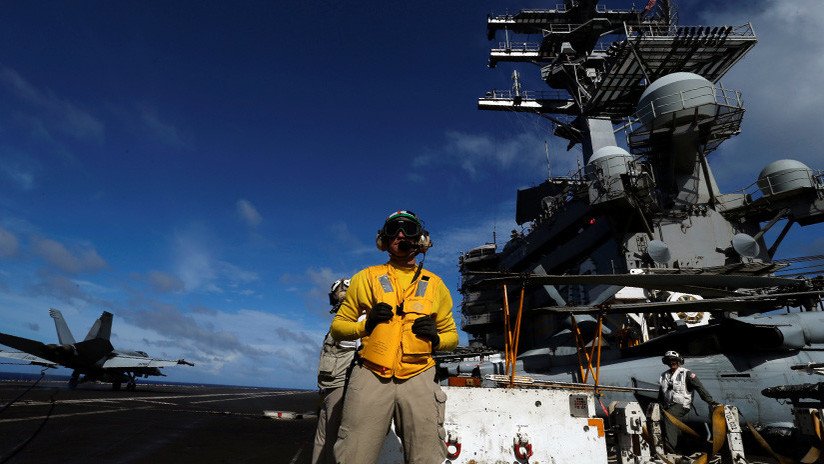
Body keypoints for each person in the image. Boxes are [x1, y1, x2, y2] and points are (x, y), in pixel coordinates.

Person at [331, 210, 458, 464]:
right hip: (371, 373)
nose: (401, 235)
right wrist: (365, 326)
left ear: (420, 239)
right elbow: (339, 327)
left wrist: (436, 340)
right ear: (384, 240)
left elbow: (452, 336)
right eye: (394, 230)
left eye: (408, 230)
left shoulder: (436, 285)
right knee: (353, 455)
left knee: (426, 456)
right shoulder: (365, 278)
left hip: (419, 374)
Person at [312, 278, 356, 464]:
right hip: (329, 387)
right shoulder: (339, 323)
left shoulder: (356, 321)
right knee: (322, 439)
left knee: (331, 440)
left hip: (341, 385)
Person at [658, 350, 718, 452]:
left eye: (674, 360)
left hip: (682, 405)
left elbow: (700, 388)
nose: (672, 362)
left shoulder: (687, 374)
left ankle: (670, 449)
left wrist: (710, 401)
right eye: (669, 361)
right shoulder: (664, 376)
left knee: (669, 416)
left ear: (678, 361)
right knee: (659, 418)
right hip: (668, 405)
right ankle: (682, 448)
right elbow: (661, 394)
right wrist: (658, 405)